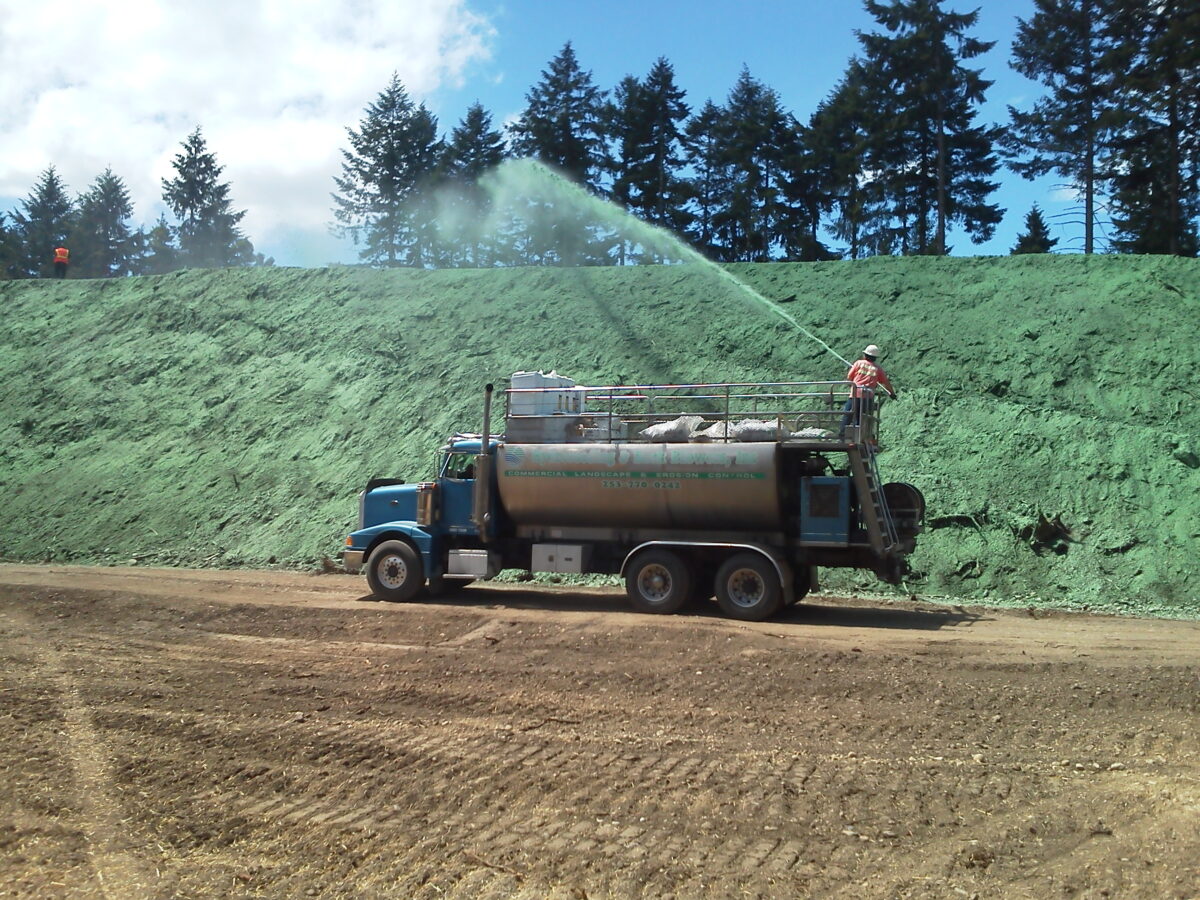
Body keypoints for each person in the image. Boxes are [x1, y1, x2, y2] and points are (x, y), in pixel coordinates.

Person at [839, 344, 897, 440]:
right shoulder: (878, 369)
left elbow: (849, 377)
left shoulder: (858, 363)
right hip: (868, 397)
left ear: (865, 355)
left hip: (855, 394)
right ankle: (858, 437)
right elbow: (886, 382)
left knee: (848, 415)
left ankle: (842, 436)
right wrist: (892, 393)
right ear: (875, 357)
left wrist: (853, 383)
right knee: (862, 418)